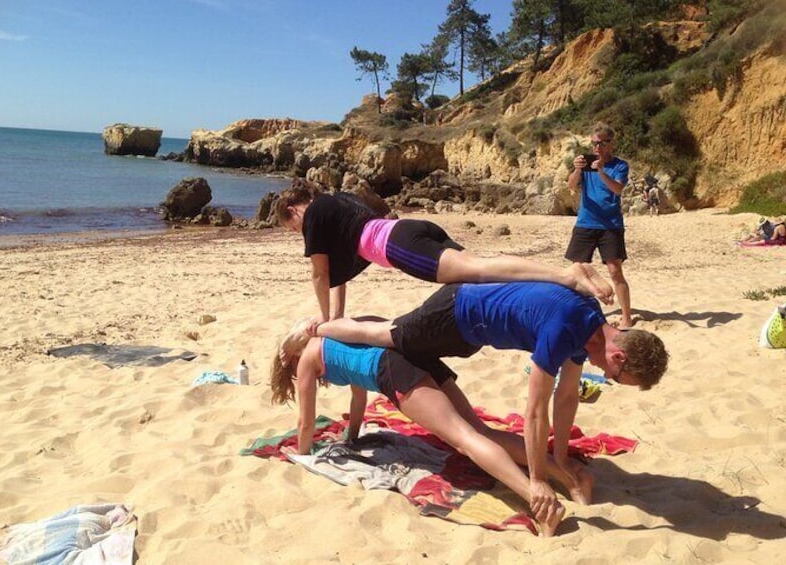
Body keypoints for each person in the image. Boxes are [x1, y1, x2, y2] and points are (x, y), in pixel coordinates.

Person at [281, 281, 669, 521]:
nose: (608, 377)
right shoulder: (569, 324)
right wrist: (536, 481)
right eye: (616, 376)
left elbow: (565, 399)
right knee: (386, 333)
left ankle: (561, 479)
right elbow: (536, 412)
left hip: (466, 333)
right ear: (620, 356)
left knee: (387, 340)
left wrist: (560, 462)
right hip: (454, 313)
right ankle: (314, 328)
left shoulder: (586, 328)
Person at [272, 329, 596, 537]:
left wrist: (302, 454)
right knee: (480, 430)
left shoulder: (305, 361)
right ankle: (570, 474)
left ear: (292, 357)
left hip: (396, 372)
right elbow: (359, 397)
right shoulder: (334, 339)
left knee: (465, 440)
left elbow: (306, 421)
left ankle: (540, 501)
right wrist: (352, 437)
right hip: (412, 359)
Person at [276, 179, 613, 322]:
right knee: (482, 275)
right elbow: (337, 277)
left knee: (480, 271)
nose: (298, 233)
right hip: (410, 228)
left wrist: (322, 320)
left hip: (399, 246)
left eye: (292, 227)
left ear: (293, 210)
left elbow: (320, 274)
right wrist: (335, 317)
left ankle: (567, 275)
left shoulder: (314, 214)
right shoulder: (337, 201)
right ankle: (557, 284)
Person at [566, 123, 633, 328]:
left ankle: (627, 317)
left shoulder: (620, 166)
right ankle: (574, 313)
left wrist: (602, 172)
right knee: (575, 270)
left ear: (610, 144)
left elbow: (617, 189)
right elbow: (570, 185)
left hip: (610, 225)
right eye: (594, 143)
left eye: (601, 143)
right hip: (586, 222)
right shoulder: (586, 165)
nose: (596, 148)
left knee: (615, 271)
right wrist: (577, 170)